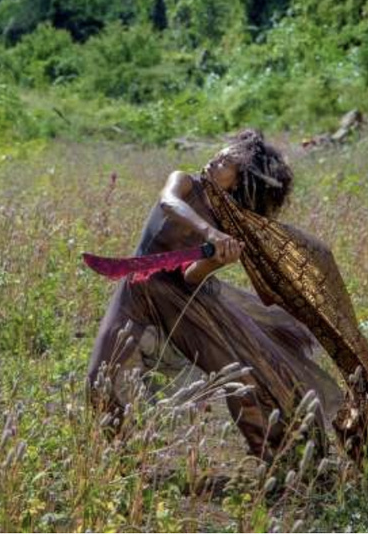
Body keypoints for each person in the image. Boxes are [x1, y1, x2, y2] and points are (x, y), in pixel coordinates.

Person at [86, 129, 344, 461]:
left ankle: (283, 460)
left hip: (181, 300)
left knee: (241, 378)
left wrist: (215, 261)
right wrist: (209, 232)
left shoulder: (229, 225)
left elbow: (192, 276)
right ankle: (118, 460)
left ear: (238, 181)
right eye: (220, 155)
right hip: (135, 292)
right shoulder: (185, 182)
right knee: (98, 379)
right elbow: (168, 203)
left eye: (226, 162)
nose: (215, 161)